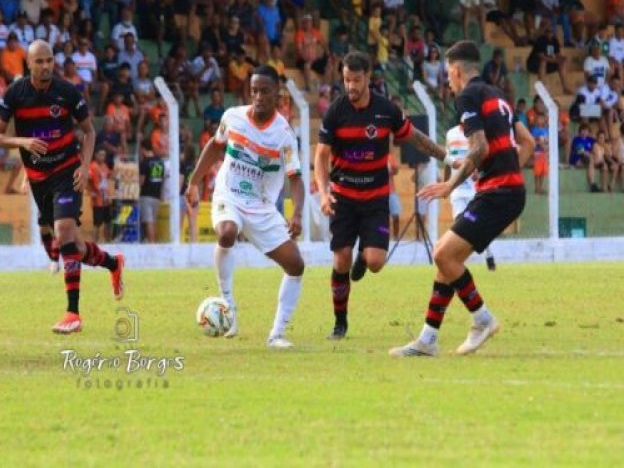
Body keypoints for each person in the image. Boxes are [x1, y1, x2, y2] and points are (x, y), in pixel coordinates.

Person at [390, 41, 534, 358]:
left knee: (442, 254)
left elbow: (479, 147)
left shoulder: (467, 96)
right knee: (447, 260)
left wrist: (450, 186)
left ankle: (482, 319)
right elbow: (527, 141)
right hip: (504, 191)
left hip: (498, 193)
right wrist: (509, 171)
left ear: (455, 70)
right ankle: (428, 339)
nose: (448, 80)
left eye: (448, 73)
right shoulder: (499, 96)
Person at [0, 40, 124, 334]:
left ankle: (73, 313)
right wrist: (24, 142)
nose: (46, 66)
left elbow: (89, 132)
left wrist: (84, 165)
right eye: (39, 61)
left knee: (64, 233)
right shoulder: (15, 94)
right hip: (39, 179)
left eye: (49, 60)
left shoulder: (66, 92)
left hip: (67, 172)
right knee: (73, 246)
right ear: (28, 64)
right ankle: (113, 263)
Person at [315, 51, 446, 340]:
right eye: (347, 79)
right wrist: (324, 194)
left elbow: (415, 137)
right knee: (341, 261)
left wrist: (444, 157)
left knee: (375, 262)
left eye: (356, 80)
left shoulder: (386, 109)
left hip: (375, 199)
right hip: (343, 198)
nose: (351, 86)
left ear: (368, 78)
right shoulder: (336, 112)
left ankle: (365, 255)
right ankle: (340, 321)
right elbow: (320, 157)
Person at [184, 65, 305, 348]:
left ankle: (276, 334)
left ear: (277, 94)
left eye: (264, 91)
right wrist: (193, 182)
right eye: (254, 91)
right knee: (226, 232)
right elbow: (215, 147)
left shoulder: (284, 134)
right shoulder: (232, 117)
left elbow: (295, 178)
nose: (258, 96)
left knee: (296, 265)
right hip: (230, 194)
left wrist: (296, 213)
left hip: (262, 207)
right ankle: (228, 307)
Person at [444, 123, 496, 270]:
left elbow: (483, 156)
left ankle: (488, 254)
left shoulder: (478, 133)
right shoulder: (451, 133)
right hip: (458, 188)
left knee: (476, 224)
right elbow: (448, 159)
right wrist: (447, 183)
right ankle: (458, 260)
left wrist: (478, 172)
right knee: (460, 223)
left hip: (475, 189)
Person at [138, 139, 165, 243]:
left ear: (143, 149)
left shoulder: (145, 162)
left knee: (148, 221)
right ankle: (153, 242)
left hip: (146, 195)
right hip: (157, 196)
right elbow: (162, 179)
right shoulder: (160, 161)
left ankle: (151, 243)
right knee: (153, 221)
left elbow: (141, 181)